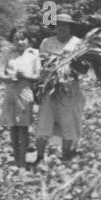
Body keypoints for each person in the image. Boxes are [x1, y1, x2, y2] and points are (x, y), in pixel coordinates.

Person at [34, 12, 86, 163]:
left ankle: (65, 155)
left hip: (69, 88)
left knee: (69, 122)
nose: (62, 28)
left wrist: (69, 66)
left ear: (70, 27)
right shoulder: (47, 42)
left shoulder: (78, 43)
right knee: (44, 120)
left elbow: (84, 69)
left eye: (65, 25)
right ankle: (39, 157)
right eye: (59, 24)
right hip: (49, 88)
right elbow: (40, 64)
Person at [0, 28, 40, 168]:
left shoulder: (34, 55)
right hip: (10, 92)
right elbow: (0, 73)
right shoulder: (8, 54)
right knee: (13, 127)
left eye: (23, 39)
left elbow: (38, 76)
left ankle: (22, 159)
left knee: (23, 127)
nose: (20, 42)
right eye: (17, 39)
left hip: (25, 93)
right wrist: (8, 77)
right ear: (13, 41)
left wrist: (25, 76)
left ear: (28, 40)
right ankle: (16, 157)